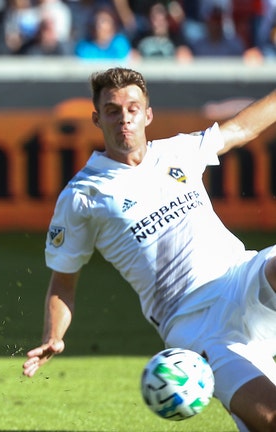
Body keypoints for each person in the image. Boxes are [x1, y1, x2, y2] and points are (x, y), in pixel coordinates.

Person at [23, 66, 276, 431]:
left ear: (147, 114)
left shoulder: (179, 151)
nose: (123, 118)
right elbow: (63, 281)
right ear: (97, 118)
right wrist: (53, 336)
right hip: (197, 327)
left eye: (132, 108)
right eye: (112, 110)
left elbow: (241, 128)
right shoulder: (83, 196)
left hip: (241, 280)